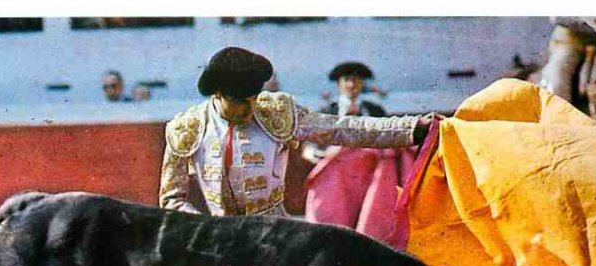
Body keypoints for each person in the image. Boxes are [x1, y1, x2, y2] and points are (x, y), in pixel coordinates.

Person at [159, 47, 437, 217]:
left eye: (253, 98)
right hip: (217, 241)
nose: (250, 107)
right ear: (218, 93)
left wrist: (411, 128)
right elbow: (172, 199)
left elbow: (343, 129)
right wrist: (204, 228)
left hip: (276, 236)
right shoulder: (187, 128)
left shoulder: (275, 111)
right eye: (241, 101)